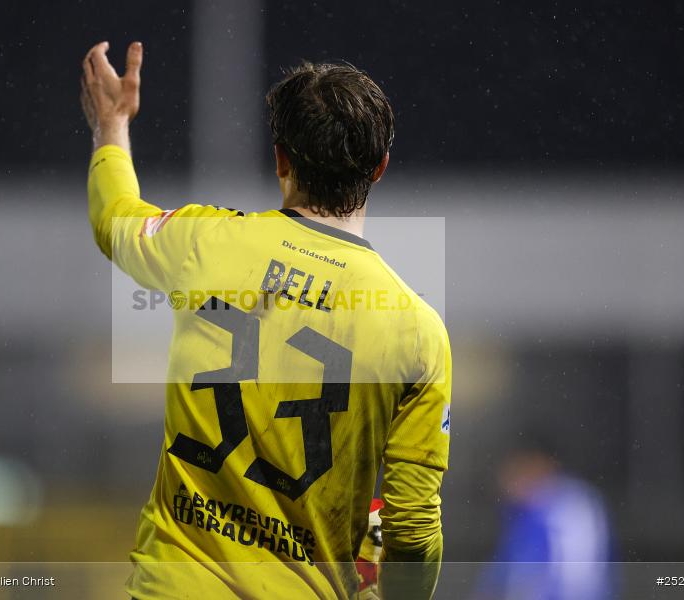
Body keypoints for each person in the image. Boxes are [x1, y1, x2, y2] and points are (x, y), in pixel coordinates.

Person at [81, 40, 451, 599]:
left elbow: (114, 220)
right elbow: (414, 530)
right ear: (379, 168)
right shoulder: (417, 331)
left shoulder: (204, 241)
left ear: (281, 159)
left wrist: (111, 126)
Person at [472, 432, 614, 600]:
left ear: (539, 464)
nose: (507, 481)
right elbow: (498, 580)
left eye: (517, 469)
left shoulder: (564, 507)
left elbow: (574, 582)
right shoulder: (523, 513)